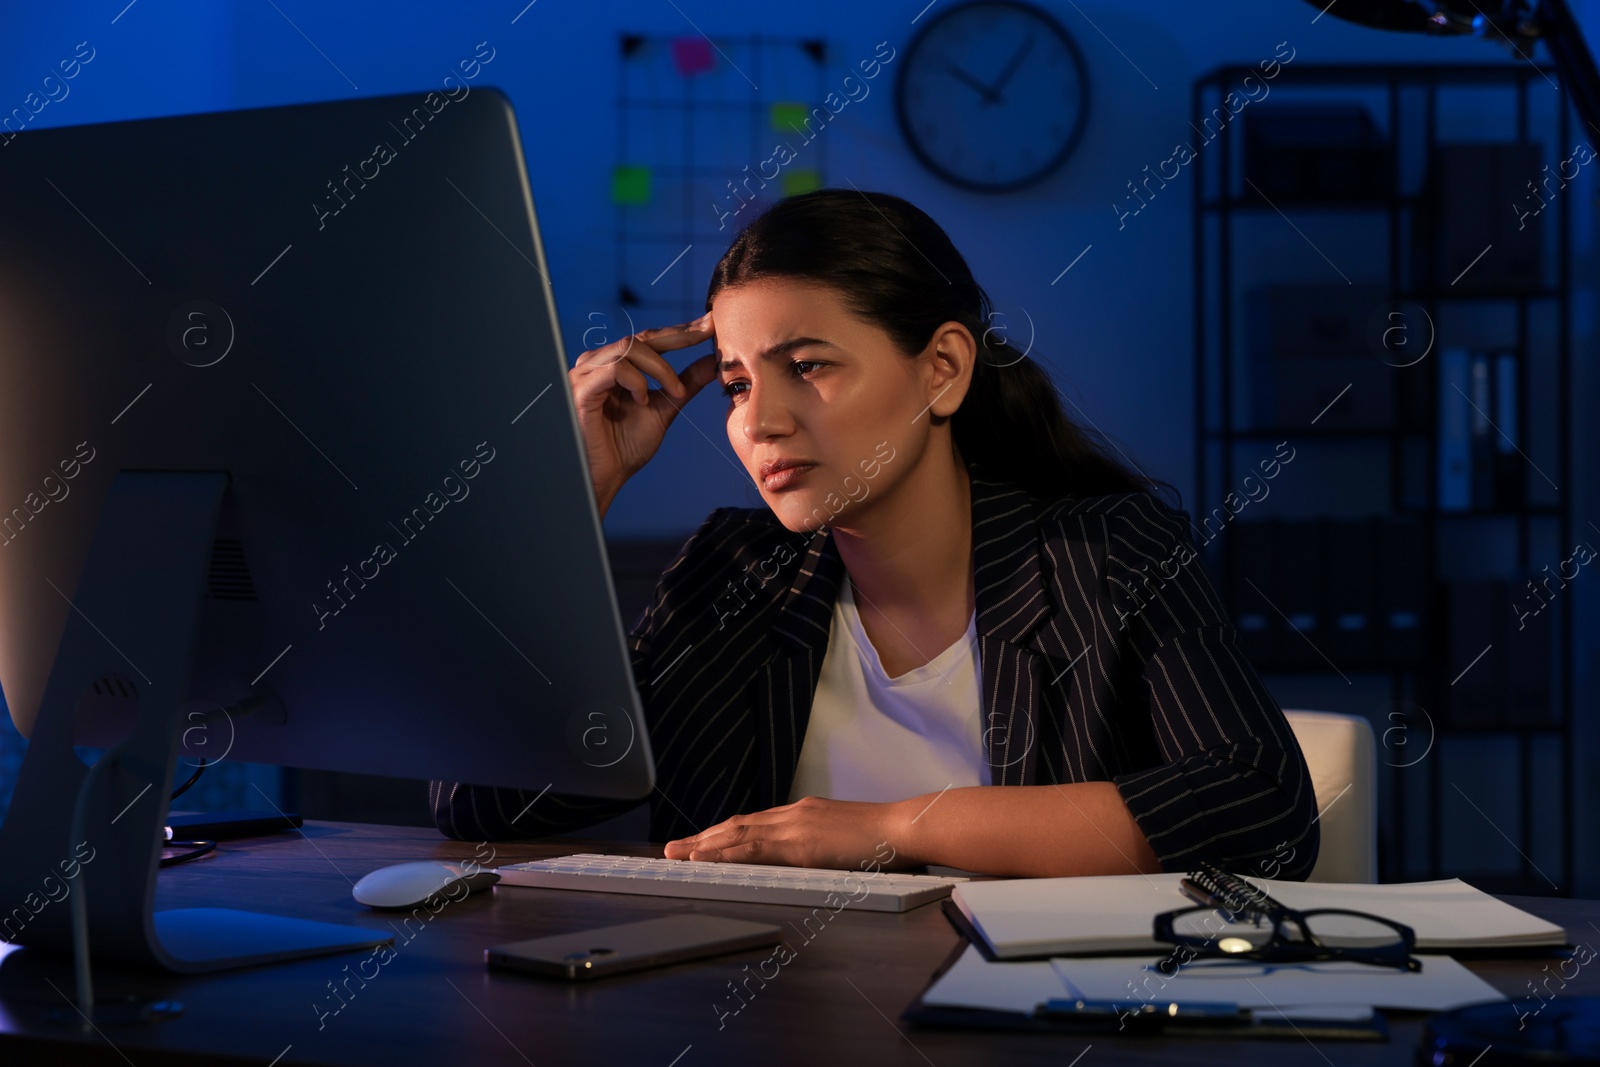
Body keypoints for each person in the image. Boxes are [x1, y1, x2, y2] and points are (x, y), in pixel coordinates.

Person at [429, 189, 1320, 880]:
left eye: (807, 366)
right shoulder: (736, 575)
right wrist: (577, 492)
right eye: (737, 385)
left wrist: (891, 827)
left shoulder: (1110, 554)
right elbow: (478, 799)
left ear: (943, 369)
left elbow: (1264, 809)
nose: (760, 421)